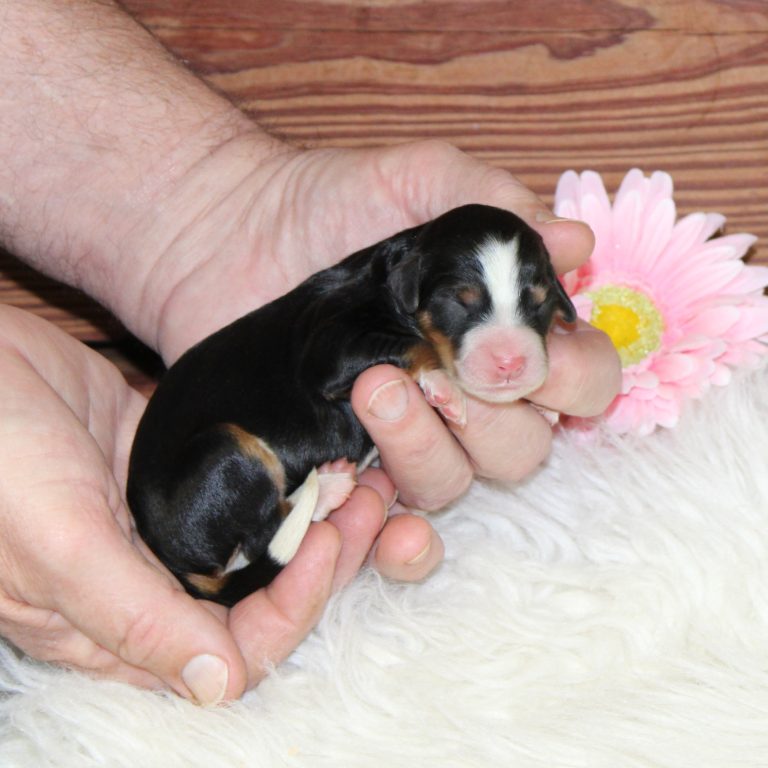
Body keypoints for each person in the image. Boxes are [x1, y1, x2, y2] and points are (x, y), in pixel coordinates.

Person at [0, 1, 621, 705]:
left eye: (536, 308)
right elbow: (334, 373)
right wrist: (422, 367)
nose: (511, 349)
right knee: (268, 458)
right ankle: (271, 534)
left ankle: (285, 527)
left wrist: (215, 201)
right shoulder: (357, 314)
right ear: (412, 284)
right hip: (195, 502)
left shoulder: (395, 288)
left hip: (228, 492)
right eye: (465, 305)